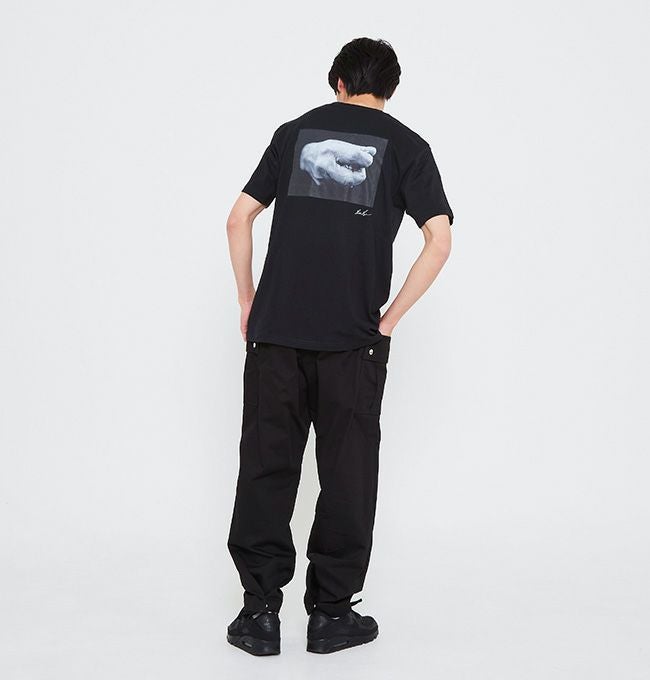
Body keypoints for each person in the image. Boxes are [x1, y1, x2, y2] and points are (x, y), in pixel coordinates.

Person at [225, 36, 454, 656]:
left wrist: (248, 300)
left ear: (338, 83)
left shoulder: (293, 133)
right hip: (354, 341)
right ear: (390, 90)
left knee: (266, 466)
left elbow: (238, 217)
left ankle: (258, 614)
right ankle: (330, 616)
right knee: (348, 475)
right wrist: (388, 321)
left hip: (275, 334)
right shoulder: (409, 146)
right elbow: (439, 240)